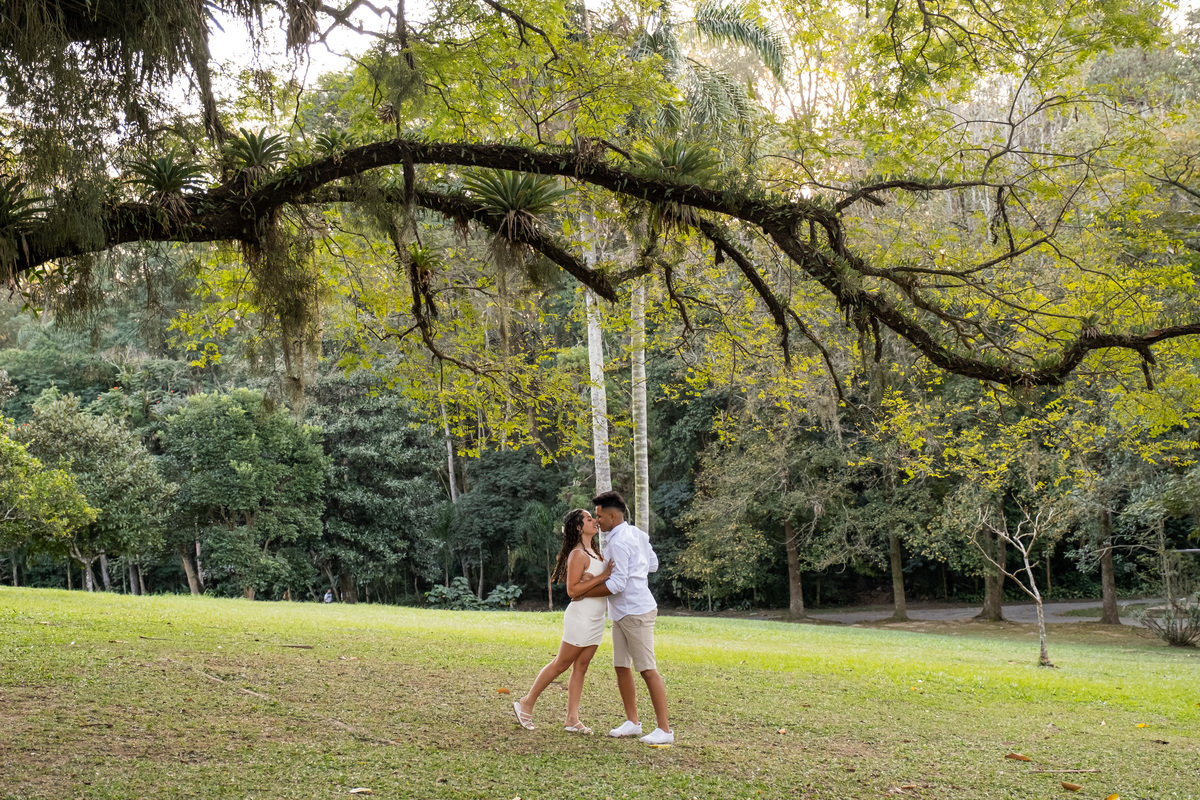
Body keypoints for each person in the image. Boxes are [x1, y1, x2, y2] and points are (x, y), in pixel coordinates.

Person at [512, 508, 613, 734]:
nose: (595, 521)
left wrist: (593, 580)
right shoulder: (578, 554)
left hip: (597, 618)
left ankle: (571, 719)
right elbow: (572, 591)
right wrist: (599, 578)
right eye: (589, 519)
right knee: (561, 664)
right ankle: (526, 703)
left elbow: (588, 586)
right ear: (579, 528)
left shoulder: (596, 553)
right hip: (581, 618)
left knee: (582, 666)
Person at [589, 489, 673, 745]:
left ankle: (665, 730)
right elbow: (653, 565)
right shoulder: (637, 534)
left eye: (599, 516)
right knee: (621, 665)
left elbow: (617, 584)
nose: (597, 521)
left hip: (636, 611)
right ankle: (633, 722)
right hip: (623, 612)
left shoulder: (617, 541)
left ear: (613, 516)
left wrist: (584, 591)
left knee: (647, 669)